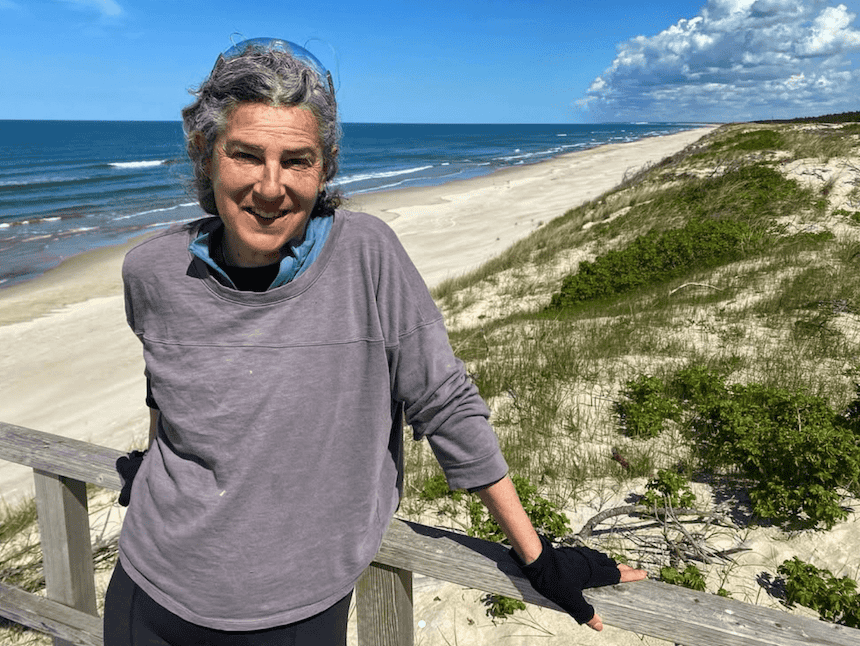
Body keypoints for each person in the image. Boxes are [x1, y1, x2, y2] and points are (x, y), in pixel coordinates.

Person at [103, 38, 645, 646]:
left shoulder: (365, 254)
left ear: (326, 166)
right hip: (148, 590)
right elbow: (165, 387)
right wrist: (154, 461)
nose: (271, 186)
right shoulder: (151, 270)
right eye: (247, 155)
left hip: (293, 611)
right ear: (207, 157)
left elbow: (443, 400)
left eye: (298, 160)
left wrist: (537, 554)